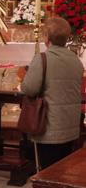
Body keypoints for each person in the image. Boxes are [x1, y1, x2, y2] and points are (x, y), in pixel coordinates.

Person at [21, 17, 84, 169]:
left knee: (48, 171)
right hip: (70, 126)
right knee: (63, 171)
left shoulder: (42, 59)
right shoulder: (75, 60)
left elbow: (29, 88)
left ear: (47, 38)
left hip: (49, 128)